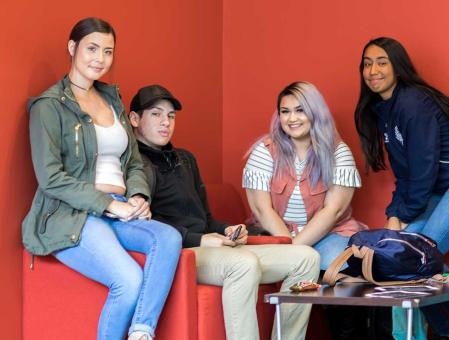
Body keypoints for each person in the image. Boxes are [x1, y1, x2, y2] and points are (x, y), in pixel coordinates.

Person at [22, 18, 182, 340]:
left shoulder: (112, 100)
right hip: (75, 215)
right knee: (128, 280)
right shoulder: (49, 106)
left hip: (122, 209)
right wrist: (109, 204)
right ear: (72, 48)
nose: (100, 59)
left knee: (168, 238)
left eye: (107, 52)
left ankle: (141, 332)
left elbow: (134, 161)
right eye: (92, 49)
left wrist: (137, 196)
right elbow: (50, 177)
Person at [128, 84, 320, 340]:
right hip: (179, 253)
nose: (165, 122)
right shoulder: (134, 165)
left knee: (306, 258)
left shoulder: (185, 159)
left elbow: (205, 218)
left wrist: (226, 230)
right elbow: (146, 226)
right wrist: (200, 240)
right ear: (134, 119)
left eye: (171, 116)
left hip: (210, 249)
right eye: (156, 114)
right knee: (243, 264)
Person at [354, 37, 449, 340]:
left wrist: (403, 216)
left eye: (382, 62)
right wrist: (394, 216)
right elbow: (406, 172)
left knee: (414, 256)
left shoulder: (411, 102)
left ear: (398, 67)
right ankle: (448, 335)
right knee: (403, 257)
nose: (373, 70)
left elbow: (423, 167)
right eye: (367, 63)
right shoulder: (385, 111)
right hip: (444, 186)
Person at [243, 81, 367, 271]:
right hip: (275, 236)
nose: (292, 118)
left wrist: (293, 252)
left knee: (332, 264)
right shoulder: (264, 151)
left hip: (328, 234)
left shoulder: (338, 152)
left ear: (315, 113)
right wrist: (288, 248)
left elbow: (333, 211)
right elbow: (262, 210)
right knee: (255, 264)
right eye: (285, 111)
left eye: (300, 110)